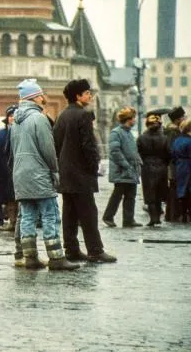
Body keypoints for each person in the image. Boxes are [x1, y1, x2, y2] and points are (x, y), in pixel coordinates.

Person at [10, 79, 79, 270]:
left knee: (27, 216)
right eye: (41, 94)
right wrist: (55, 170)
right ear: (35, 97)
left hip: (21, 174)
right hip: (39, 173)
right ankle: (56, 258)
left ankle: (30, 257)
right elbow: (48, 150)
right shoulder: (39, 118)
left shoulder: (15, 120)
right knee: (50, 214)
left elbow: (13, 149)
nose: (44, 97)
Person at [53, 79, 116, 263]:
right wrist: (93, 166)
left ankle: (71, 249)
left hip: (66, 172)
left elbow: (56, 143)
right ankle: (95, 250)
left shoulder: (62, 115)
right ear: (78, 96)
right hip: (81, 173)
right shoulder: (84, 115)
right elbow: (89, 145)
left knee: (70, 213)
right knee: (89, 213)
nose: (90, 95)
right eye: (87, 92)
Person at [102, 107, 143, 228]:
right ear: (128, 119)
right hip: (122, 170)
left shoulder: (129, 133)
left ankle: (128, 220)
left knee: (131, 196)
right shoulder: (116, 132)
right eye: (133, 118)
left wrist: (138, 161)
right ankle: (108, 217)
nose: (135, 120)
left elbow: (132, 150)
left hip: (131, 170)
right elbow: (115, 151)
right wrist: (126, 165)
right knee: (117, 195)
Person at [137, 111, 170, 226]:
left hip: (147, 167)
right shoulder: (165, 138)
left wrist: (144, 162)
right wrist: (164, 163)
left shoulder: (141, 138)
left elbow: (138, 153)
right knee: (159, 193)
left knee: (150, 193)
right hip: (161, 167)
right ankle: (158, 218)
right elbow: (168, 154)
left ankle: (153, 218)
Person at [164, 107, 186, 222]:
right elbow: (171, 150)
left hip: (176, 165)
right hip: (174, 166)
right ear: (177, 119)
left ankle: (173, 214)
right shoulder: (173, 132)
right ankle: (172, 215)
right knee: (174, 190)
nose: (184, 118)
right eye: (183, 117)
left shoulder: (174, 131)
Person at [172, 120, 191, 222]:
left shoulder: (177, 140)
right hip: (189, 165)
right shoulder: (189, 141)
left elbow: (173, 155)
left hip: (180, 166)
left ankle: (183, 214)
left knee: (182, 190)